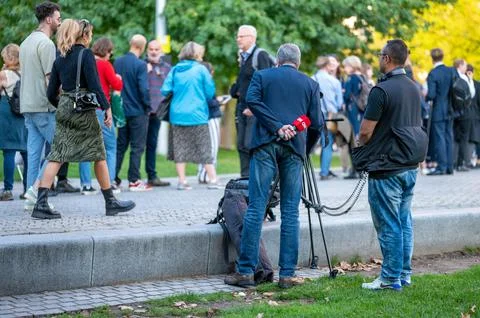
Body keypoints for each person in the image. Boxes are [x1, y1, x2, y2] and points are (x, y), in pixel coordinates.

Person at [224, 43, 325, 289]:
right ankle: (287, 275)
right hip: (294, 149)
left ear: (278, 60)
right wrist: (304, 148)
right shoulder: (310, 84)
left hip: (265, 146)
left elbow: (252, 102)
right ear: (298, 62)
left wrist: (275, 126)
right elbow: (317, 123)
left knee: (257, 206)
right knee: (291, 211)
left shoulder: (262, 76)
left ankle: (246, 272)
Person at [32, 18, 135, 219]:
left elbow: (51, 92)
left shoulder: (60, 57)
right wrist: (107, 108)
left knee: (57, 153)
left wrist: (63, 105)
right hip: (84, 111)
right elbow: (95, 85)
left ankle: (40, 204)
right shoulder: (85, 54)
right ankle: (110, 202)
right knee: (99, 153)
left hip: (65, 108)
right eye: (90, 34)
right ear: (84, 35)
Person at [358, 39, 425, 291]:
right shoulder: (413, 86)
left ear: (387, 58)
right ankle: (404, 273)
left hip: (386, 166)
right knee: (403, 220)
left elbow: (365, 132)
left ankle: (389, 278)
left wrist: (359, 141)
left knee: (389, 223)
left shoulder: (381, 90)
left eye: (379, 55)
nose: (378, 59)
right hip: (409, 164)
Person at [161, 41, 221, 190]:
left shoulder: (175, 70)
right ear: (196, 54)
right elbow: (210, 92)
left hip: (177, 114)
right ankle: (213, 179)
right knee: (204, 147)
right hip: (197, 114)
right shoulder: (201, 70)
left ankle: (182, 181)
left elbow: (165, 90)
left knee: (180, 147)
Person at [19, 1, 61, 211]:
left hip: (27, 105)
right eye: (58, 18)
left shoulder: (26, 41)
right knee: (62, 146)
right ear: (49, 19)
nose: (59, 22)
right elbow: (49, 79)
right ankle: (37, 191)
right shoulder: (46, 44)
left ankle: (30, 198)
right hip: (43, 106)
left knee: (34, 153)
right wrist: (59, 104)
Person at [79, 37, 123, 194]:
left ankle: (85, 184)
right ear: (107, 51)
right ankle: (109, 183)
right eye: (110, 52)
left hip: (84, 108)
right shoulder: (105, 64)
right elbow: (116, 85)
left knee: (86, 147)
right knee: (110, 147)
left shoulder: (85, 62)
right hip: (101, 109)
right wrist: (118, 78)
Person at [230, 25, 275, 177]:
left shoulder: (260, 55)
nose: (238, 39)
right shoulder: (243, 57)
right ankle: (245, 180)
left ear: (252, 38)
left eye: (241, 36)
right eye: (237, 36)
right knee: (241, 145)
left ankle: (258, 181)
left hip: (254, 108)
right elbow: (243, 82)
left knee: (251, 144)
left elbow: (267, 83)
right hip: (241, 106)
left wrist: (255, 107)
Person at [114, 34, 151, 191]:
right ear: (141, 47)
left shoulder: (117, 62)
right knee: (137, 146)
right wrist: (147, 106)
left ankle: (113, 178)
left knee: (120, 145)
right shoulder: (141, 65)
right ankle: (134, 180)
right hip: (137, 111)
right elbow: (143, 88)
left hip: (122, 110)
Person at [0, 44, 28, 201]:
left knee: (9, 151)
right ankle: (27, 189)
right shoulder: (27, 73)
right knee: (26, 151)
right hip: (24, 113)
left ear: (10, 58)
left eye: (4, 57)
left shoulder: (4, 74)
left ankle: (8, 189)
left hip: (8, 113)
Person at [312, 56, 343, 180]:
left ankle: (324, 169)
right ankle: (324, 172)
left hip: (316, 115)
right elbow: (340, 103)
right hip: (331, 116)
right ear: (326, 66)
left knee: (317, 143)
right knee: (328, 142)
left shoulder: (312, 79)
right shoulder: (334, 81)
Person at [145, 39, 170, 187]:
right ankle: (128, 178)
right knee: (137, 145)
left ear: (161, 52)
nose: (153, 52)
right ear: (147, 50)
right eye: (151, 49)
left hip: (157, 111)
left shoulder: (167, 68)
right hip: (142, 111)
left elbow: (171, 89)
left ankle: (151, 176)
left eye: (156, 49)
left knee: (152, 144)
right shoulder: (142, 65)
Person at [426, 48, 454, 176]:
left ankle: (441, 166)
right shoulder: (450, 71)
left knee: (439, 138)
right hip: (450, 109)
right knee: (449, 137)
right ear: (442, 57)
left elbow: (431, 95)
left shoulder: (433, 74)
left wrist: (425, 97)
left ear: (432, 58)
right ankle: (449, 167)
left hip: (438, 110)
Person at [197, 62, 223, 184]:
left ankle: (203, 174)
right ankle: (206, 175)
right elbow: (207, 102)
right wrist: (219, 101)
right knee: (212, 146)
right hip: (210, 117)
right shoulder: (205, 85)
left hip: (202, 118)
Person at [452, 59, 475, 171]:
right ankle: (460, 163)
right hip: (464, 112)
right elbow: (471, 94)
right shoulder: (463, 78)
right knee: (463, 138)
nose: (466, 67)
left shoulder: (453, 76)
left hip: (456, 112)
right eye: (465, 65)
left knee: (457, 138)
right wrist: (470, 80)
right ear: (460, 65)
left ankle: (456, 162)